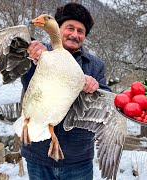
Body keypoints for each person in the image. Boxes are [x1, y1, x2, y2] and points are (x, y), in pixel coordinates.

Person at [21, 3, 111, 180]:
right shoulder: (38, 51)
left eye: (80, 31)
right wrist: (33, 59)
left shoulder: (95, 65)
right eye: (70, 28)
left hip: (78, 160)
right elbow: (27, 82)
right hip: (39, 156)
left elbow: (105, 102)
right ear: (59, 28)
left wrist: (96, 88)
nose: (75, 34)